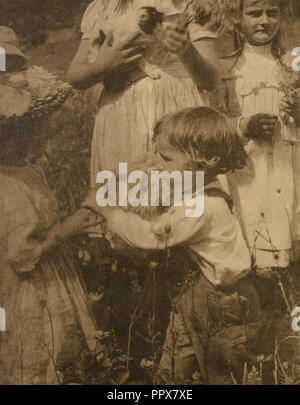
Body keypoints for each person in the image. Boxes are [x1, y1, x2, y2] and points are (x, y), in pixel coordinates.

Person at [82, 107, 262, 384]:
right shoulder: (199, 194)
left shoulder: (203, 206)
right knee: (177, 363)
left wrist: (109, 211)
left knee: (221, 372)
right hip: (196, 296)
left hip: (221, 303)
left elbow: (150, 238)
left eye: (166, 158)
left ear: (207, 159)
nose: (158, 163)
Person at [0, 30, 102, 384]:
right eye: (36, 129)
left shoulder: (30, 170)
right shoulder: (5, 184)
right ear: (12, 134)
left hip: (54, 275)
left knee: (64, 350)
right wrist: (67, 230)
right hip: (26, 289)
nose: (44, 136)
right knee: (36, 353)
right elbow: (22, 253)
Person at [67, 0, 221, 182]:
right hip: (123, 114)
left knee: (183, 190)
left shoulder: (192, 5)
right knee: (129, 190)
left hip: (177, 112)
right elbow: (75, 76)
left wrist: (186, 50)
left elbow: (210, 81)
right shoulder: (105, 7)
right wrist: (102, 66)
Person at [213, 0, 300, 280]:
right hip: (247, 164)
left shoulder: (292, 64)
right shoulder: (228, 68)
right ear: (237, 19)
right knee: (250, 214)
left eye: (272, 13)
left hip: (288, 159)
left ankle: (285, 280)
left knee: (286, 207)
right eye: (254, 13)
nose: (264, 21)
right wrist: (245, 124)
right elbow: (213, 123)